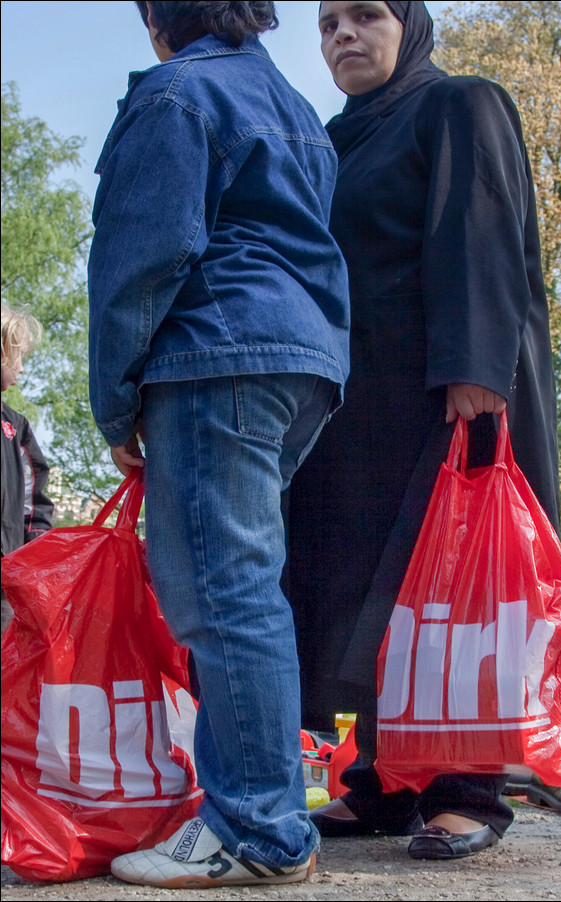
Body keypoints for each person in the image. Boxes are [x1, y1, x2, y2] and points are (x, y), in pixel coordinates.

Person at [285, 0, 561, 860]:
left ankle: (468, 789)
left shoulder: (458, 102)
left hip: (444, 395)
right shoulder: (332, 139)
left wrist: (477, 375)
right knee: (371, 593)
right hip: (355, 408)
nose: (342, 35)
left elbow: (479, 233)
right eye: (327, 22)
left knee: (451, 588)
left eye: (365, 14)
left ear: (412, 25)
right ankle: (378, 782)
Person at [88, 1, 350, 887]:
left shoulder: (176, 95)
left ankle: (256, 829)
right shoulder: (295, 107)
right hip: (301, 361)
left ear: (158, 11)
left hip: (215, 354)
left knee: (224, 595)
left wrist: (113, 397)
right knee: (247, 587)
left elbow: (139, 259)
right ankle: (260, 813)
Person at [1, 304, 54, 633]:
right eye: (18, 356)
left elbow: (35, 505)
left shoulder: (14, 427)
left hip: (6, 585)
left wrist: (32, 563)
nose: (21, 368)